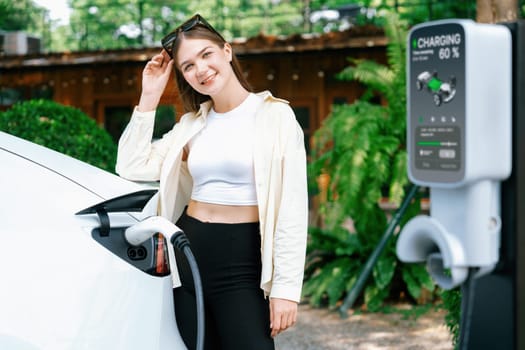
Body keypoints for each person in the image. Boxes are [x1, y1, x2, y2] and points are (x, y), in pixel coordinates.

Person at [116, 13, 308, 350]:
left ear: (227, 52)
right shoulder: (192, 125)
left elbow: (293, 207)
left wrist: (286, 290)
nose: (200, 70)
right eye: (188, 66)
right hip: (188, 257)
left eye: (206, 55)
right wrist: (150, 95)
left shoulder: (275, 116)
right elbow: (131, 164)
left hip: (242, 263)